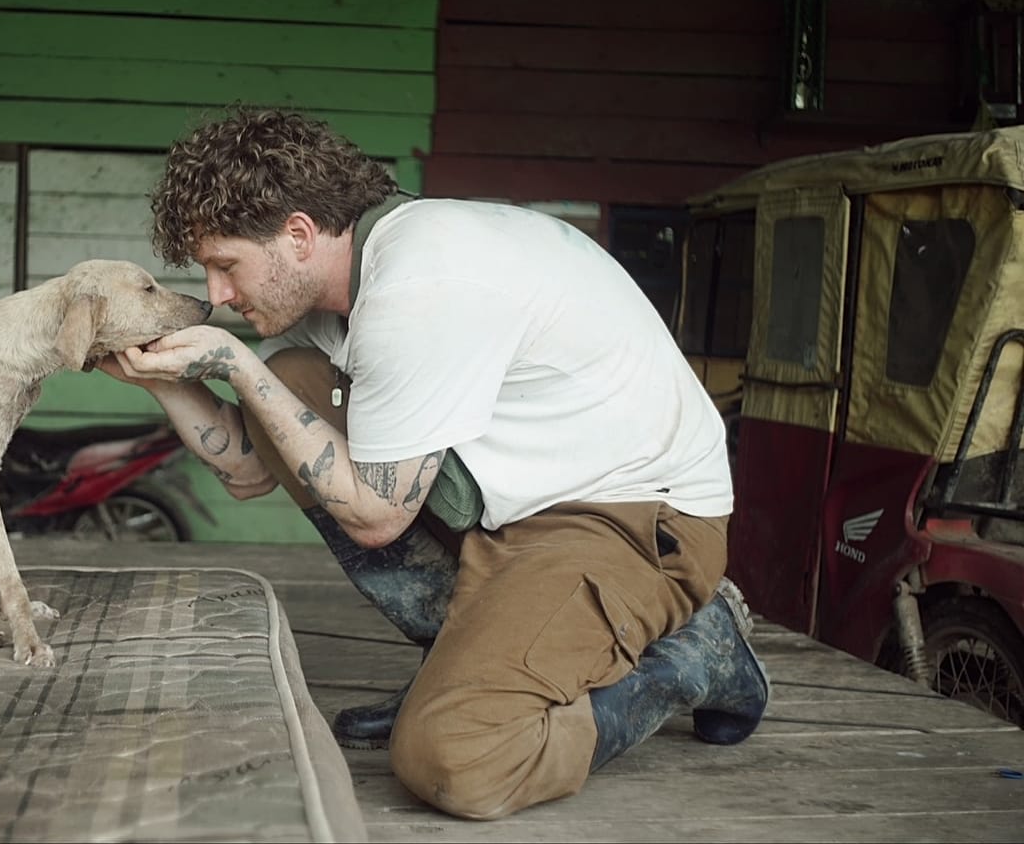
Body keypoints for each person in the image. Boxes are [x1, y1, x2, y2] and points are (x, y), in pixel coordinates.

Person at [99, 108, 769, 819]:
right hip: (519, 505)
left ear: (298, 234)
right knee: (290, 385)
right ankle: (465, 666)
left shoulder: (420, 281)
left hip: (631, 520)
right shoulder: (343, 287)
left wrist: (235, 364)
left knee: (456, 756)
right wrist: (164, 378)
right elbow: (251, 468)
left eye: (225, 266)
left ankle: (691, 655)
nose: (219, 295)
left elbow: (377, 517)